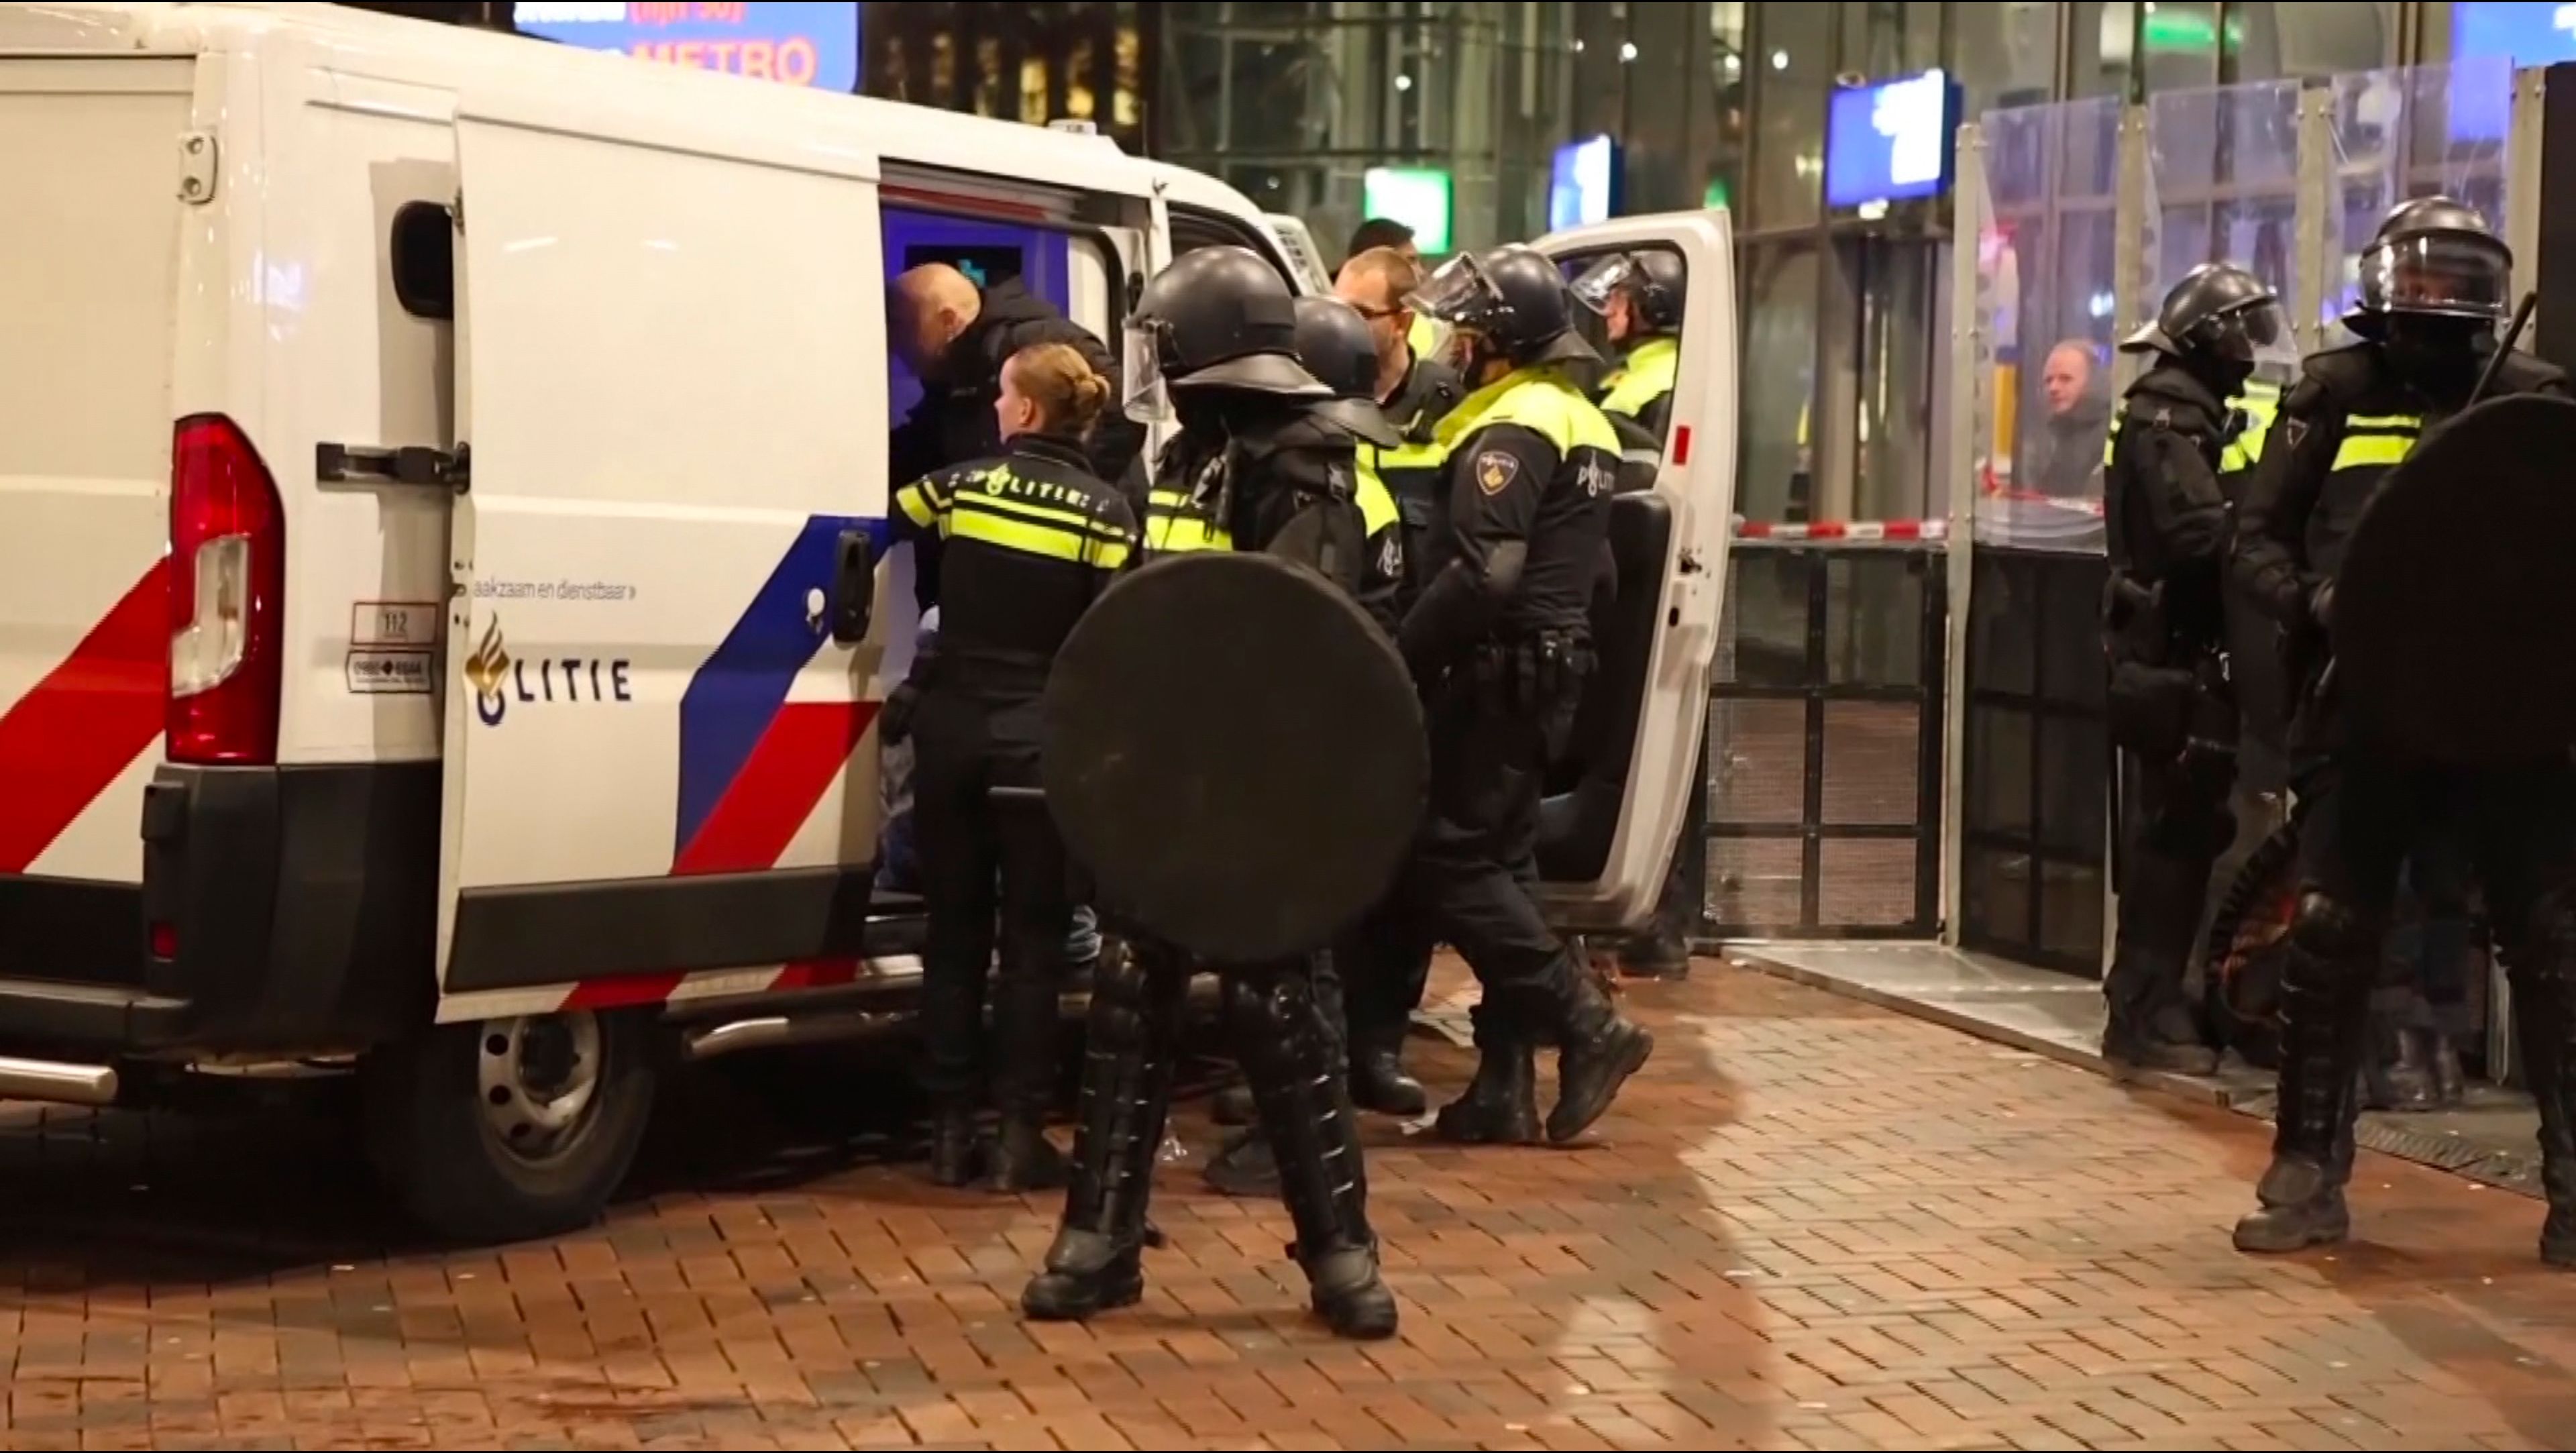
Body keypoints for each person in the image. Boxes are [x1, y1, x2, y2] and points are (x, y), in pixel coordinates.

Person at [1022, 245, 1400, 1340]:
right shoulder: (1184, 460)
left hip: (1266, 792)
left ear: (1199, 353)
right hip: (1173, 783)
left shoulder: (1304, 470)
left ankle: (1340, 1254)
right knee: (1134, 992)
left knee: (1279, 1007)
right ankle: (1099, 1240)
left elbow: (1298, 650)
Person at [2229, 196, 2575, 1261]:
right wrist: (2319, 603)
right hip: (2364, 702)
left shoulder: (2535, 399)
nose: (2431, 302)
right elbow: (2253, 537)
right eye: (2415, 285)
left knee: (2557, 941)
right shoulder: (2330, 394)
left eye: (2448, 286)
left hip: (2508, 712)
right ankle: (2307, 1167)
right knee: (2331, 930)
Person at [1383, 244, 1655, 1148]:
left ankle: (1588, 1022)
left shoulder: (1511, 423)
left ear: (1499, 340)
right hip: (1545, 670)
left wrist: (1398, 654)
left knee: (1446, 863)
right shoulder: (1581, 417)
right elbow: (1603, 574)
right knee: (1505, 867)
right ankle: (1503, 1087)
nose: (1451, 342)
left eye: (1464, 329)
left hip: (1495, 671)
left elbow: (1484, 569)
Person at [892, 343, 1138, 1193]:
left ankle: (948, 1134)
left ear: (1027, 413)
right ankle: (1018, 1138)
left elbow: (879, 523)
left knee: (952, 940)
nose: (994, 408)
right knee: (1033, 950)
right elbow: (1109, 644)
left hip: (950, 737)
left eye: (1002, 397)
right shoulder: (1106, 516)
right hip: (1036, 745)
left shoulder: (956, 489)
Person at [2098, 262, 2286, 1077]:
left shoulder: (2181, 409)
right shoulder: (2171, 415)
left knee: (2183, 828)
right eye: (2245, 328)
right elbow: (2195, 537)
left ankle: (2153, 999)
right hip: (2171, 657)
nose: (2253, 347)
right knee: (2173, 833)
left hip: (2173, 653)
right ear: (2212, 335)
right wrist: (2262, 527)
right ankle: (2142, 1010)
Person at [890, 262, 1146, 494]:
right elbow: (927, 445)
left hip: (1073, 532)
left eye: (904, 326)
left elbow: (1124, 416)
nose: (895, 343)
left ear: (948, 321)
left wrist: (1053, 494)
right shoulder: (957, 370)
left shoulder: (1040, 344)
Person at [2029, 340, 2113, 499]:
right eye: (2048, 380)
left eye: (2065, 379)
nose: (2053, 388)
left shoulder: (2111, 435)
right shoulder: (2052, 433)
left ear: (2093, 383)